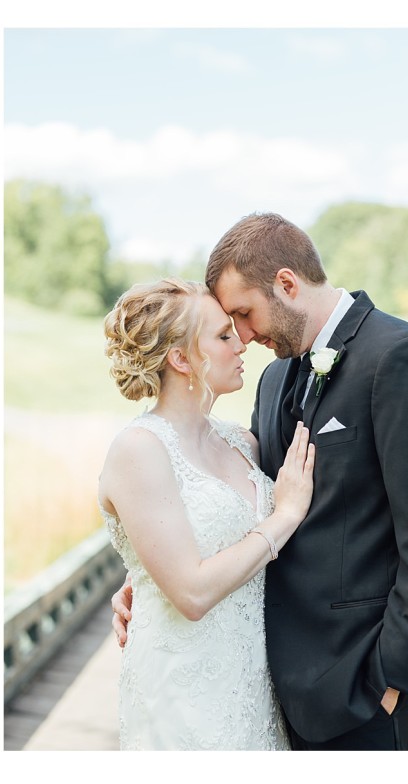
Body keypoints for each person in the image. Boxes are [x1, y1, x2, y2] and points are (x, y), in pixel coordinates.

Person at [114, 214, 408, 750]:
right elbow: (249, 501)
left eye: (244, 314)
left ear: (286, 284)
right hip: (276, 692)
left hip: (365, 689)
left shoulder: (397, 357)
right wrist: (149, 572)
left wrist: (395, 680)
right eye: (229, 326)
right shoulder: (274, 378)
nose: (245, 335)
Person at [99, 277, 315, 750]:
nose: (241, 343)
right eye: (221, 336)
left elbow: (215, 543)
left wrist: (143, 576)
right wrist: (286, 514)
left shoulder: (242, 442)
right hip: (182, 691)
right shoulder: (139, 448)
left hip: (254, 686)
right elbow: (192, 594)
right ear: (180, 359)